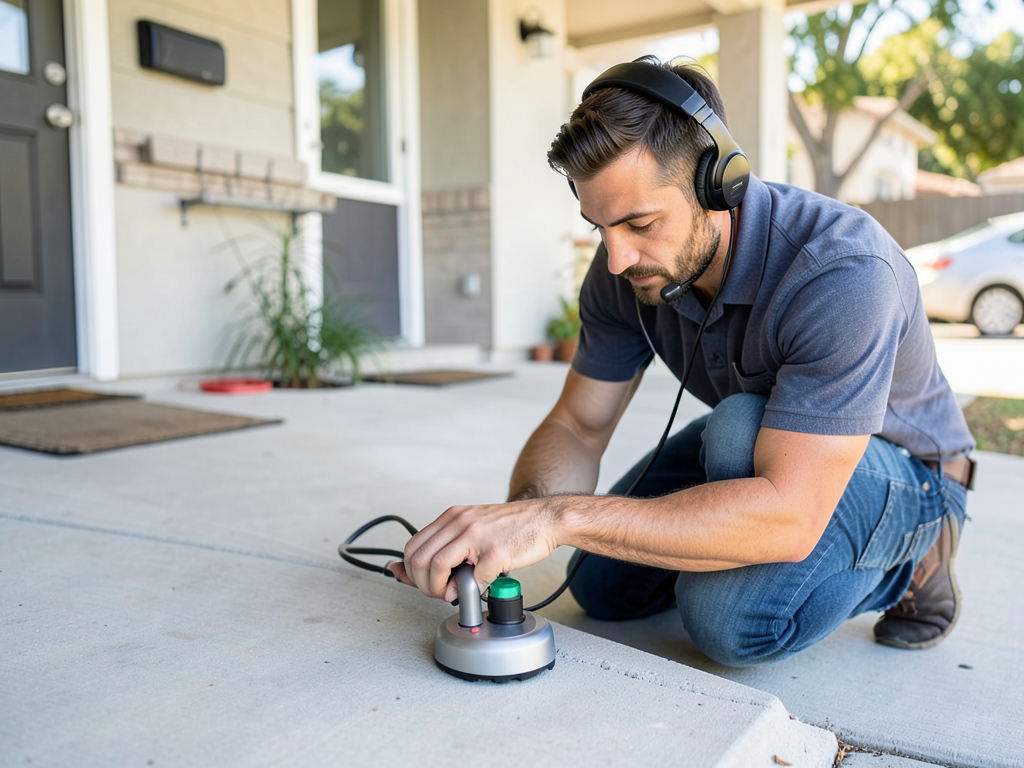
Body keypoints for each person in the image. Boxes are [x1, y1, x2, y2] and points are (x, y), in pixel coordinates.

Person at [388, 57, 975, 666]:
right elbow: (578, 425)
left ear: (718, 184)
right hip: (764, 443)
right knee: (598, 584)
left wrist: (558, 516)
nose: (617, 258)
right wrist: (512, 530)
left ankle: (910, 564)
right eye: (599, 227)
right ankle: (721, 549)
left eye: (640, 223)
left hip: (908, 474)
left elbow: (792, 514)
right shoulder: (627, 267)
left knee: (729, 618)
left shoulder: (841, 272)